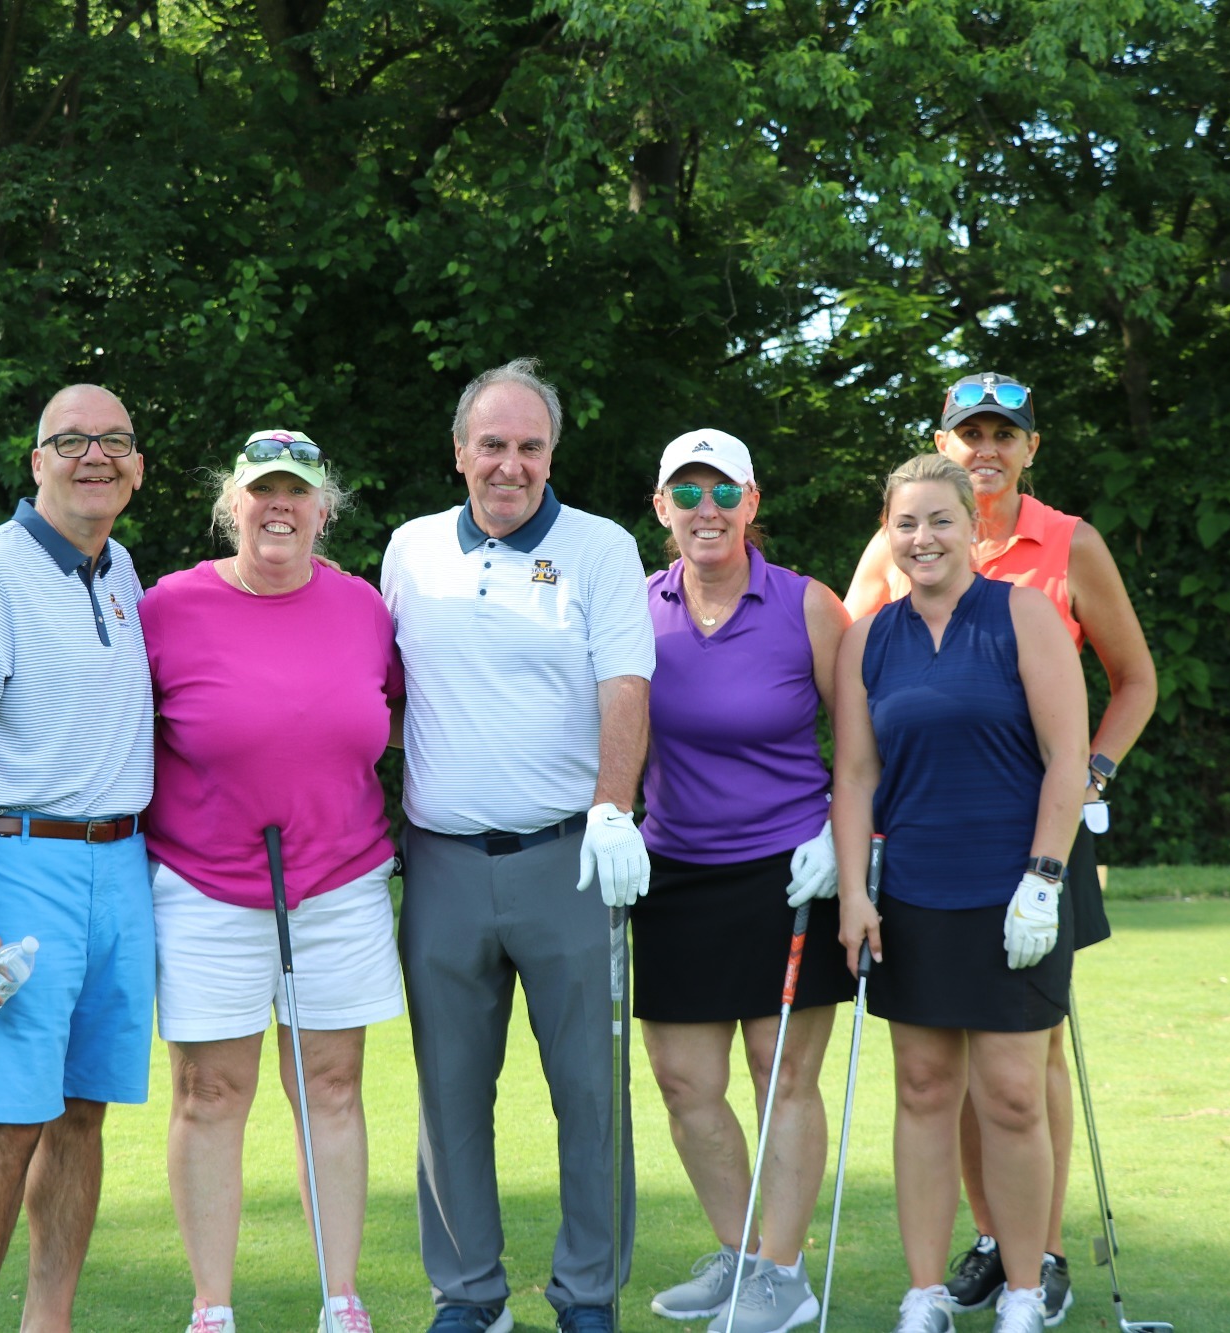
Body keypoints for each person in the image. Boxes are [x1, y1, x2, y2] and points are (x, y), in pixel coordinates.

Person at [843, 374, 1157, 1324]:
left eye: (1002, 434)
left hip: (1033, 845)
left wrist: (1073, 819)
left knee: (1024, 1074)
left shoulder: (1066, 550)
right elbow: (854, 710)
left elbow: (1124, 690)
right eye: (968, 433)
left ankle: (1038, 1262)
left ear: (1029, 446)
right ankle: (967, 1259)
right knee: (937, 1081)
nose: (985, 448)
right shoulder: (893, 568)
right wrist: (848, 869)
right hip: (922, 861)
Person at [381, 358, 656, 1333]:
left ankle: (585, 1293)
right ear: (459, 452)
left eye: (527, 446)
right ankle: (469, 1294)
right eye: (490, 444)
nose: (508, 465)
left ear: (550, 455)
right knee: (448, 1093)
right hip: (442, 861)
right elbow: (387, 693)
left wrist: (614, 809)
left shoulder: (600, 548)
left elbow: (624, 685)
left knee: (589, 1090)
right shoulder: (408, 549)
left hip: (568, 859)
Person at [137, 429, 406, 1333]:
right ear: (232, 505)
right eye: (262, 492)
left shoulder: (366, 607)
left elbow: (391, 714)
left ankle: (341, 1299)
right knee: (211, 1092)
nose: (278, 507)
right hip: (206, 882)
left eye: (297, 492)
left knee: (330, 1084)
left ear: (324, 509)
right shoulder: (169, 606)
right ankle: (212, 1305)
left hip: (338, 880)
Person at [0, 383, 157, 1332]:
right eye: (71, 441)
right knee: (10, 1118)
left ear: (137, 468)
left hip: (119, 867)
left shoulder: (121, 569)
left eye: (114, 442)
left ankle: (47, 1320)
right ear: (37, 461)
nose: (93, 456)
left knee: (83, 1112)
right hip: (16, 869)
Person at [831, 453, 1089, 1333]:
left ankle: (1024, 1288)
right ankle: (925, 1291)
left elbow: (1068, 756)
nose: (923, 537)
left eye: (940, 520)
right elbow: (857, 776)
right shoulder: (869, 637)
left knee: (1014, 1092)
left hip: (1016, 889)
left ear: (971, 528)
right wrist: (853, 894)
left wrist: (1045, 880)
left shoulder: (1023, 614)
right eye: (906, 523)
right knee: (925, 1088)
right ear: (888, 533)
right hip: (913, 893)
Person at [632, 429, 855, 1333]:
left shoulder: (808, 605)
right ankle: (741, 1258)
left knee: (781, 1075)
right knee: (685, 1080)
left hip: (789, 870)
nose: (706, 510)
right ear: (661, 511)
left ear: (753, 502)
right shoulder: (636, 606)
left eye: (723, 491)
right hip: (675, 868)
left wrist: (849, 839)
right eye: (685, 495)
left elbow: (862, 738)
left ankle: (784, 1273)